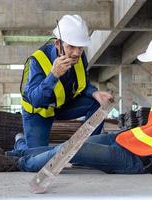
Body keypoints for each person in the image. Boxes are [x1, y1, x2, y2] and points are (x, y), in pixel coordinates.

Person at [0, 31, 152, 181]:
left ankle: (17, 162)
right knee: (74, 143)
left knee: (75, 151)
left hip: (138, 160)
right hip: (128, 140)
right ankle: (14, 153)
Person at [16, 14, 113, 150]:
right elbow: (35, 100)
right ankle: (19, 141)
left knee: (97, 103)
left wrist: (94, 93)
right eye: (71, 47)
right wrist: (53, 76)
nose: (76, 53)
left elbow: (83, 85)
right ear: (58, 44)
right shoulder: (37, 61)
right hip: (39, 112)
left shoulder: (80, 57)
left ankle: (88, 150)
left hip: (62, 106)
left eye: (80, 47)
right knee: (35, 156)